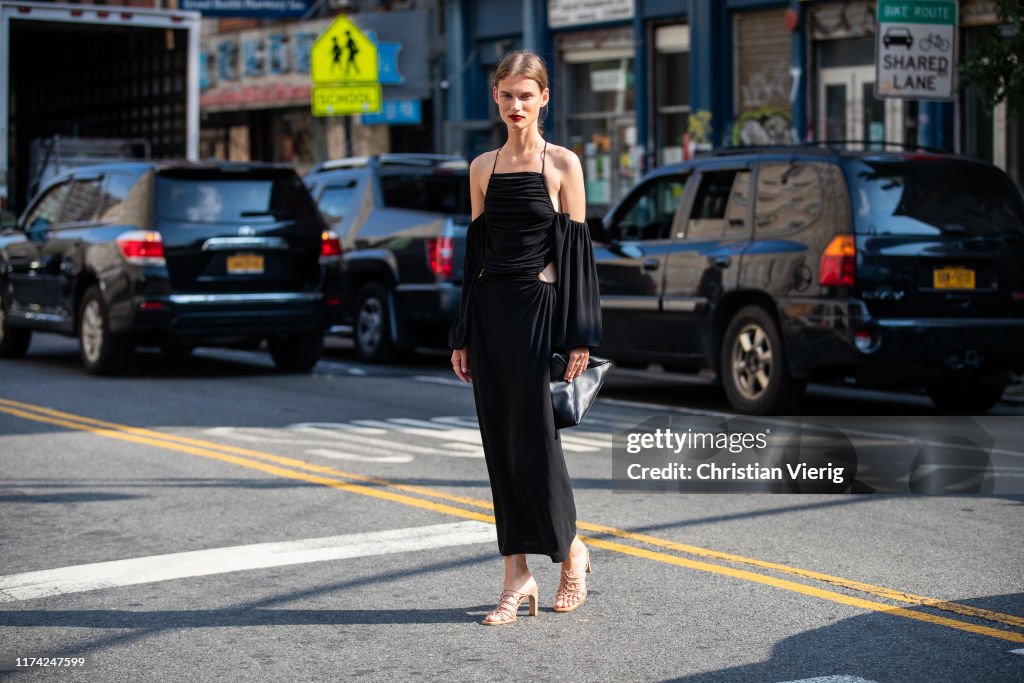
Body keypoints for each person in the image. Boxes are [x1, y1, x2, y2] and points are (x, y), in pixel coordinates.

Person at [448, 50, 602, 626]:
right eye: (507, 95)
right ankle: (516, 576)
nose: (517, 105)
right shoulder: (481, 168)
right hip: (490, 318)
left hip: (539, 315)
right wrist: (462, 333)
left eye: (527, 95)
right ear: (496, 98)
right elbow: (475, 256)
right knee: (500, 448)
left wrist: (579, 333)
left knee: (538, 446)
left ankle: (570, 552)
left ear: (544, 99)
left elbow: (577, 258)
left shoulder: (562, 164)